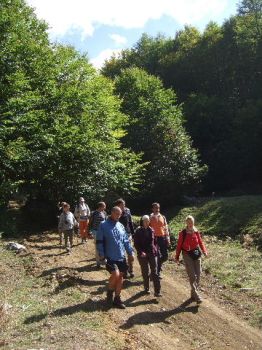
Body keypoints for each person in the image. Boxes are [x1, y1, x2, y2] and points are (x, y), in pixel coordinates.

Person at [96, 206, 134, 309]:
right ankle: (109, 296)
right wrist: (101, 254)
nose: (119, 216)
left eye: (120, 214)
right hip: (110, 256)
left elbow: (126, 241)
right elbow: (99, 241)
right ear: (112, 213)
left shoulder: (121, 226)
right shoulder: (103, 225)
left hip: (121, 256)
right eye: (117, 214)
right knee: (115, 274)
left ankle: (117, 299)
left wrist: (130, 253)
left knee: (120, 276)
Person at [174, 215, 208, 304]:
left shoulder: (196, 231)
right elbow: (179, 245)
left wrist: (204, 251)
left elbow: (200, 242)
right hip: (187, 254)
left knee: (198, 274)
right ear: (186, 223)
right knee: (192, 275)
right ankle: (197, 295)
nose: (190, 224)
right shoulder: (183, 233)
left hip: (196, 253)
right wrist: (177, 256)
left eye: (191, 222)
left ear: (193, 222)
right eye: (188, 222)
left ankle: (193, 294)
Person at [134, 215, 161, 297]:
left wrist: (157, 250)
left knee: (155, 272)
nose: (146, 222)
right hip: (142, 255)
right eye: (145, 220)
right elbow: (136, 244)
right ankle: (146, 288)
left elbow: (155, 242)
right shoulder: (138, 231)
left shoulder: (152, 230)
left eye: (147, 220)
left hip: (152, 253)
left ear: (149, 221)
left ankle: (157, 291)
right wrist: (141, 252)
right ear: (142, 221)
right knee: (145, 272)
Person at [115, 198, 135, 278]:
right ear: (118, 206)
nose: (124, 206)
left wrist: (133, 234)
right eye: (122, 205)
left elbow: (130, 222)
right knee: (122, 254)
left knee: (130, 253)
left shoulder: (127, 211)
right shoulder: (115, 213)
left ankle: (131, 269)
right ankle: (125, 270)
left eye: (124, 204)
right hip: (119, 236)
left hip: (128, 234)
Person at [149, 202, 170, 278]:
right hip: (154, 239)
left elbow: (166, 228)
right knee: (157, 255)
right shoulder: (150, 217)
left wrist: (167, 238)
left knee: (165, 256)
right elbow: (147, 229)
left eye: (158, 208)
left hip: (162, 238)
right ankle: (156, 272)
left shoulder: (163, 217)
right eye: (155, 208)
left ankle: (158, 266)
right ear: (152, 209)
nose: (157, 209)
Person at [89, 201, 107, 268]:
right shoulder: (94, 213)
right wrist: (89, 231)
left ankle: (103, 260)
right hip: (96, 231)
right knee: (97, 247)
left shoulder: (104, 213)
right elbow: (90, 222)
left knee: (104, 246)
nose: (105, 207)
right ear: (101, 206)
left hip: (103, 232)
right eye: (104, 206)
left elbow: (106, 222)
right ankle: (98, 262)